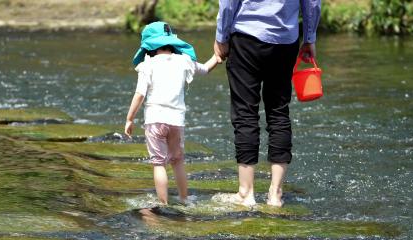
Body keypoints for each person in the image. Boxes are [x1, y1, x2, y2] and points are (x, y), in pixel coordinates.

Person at [214, 0, 321, 207]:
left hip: (246, 37)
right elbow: (312, 3)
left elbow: (228, 3)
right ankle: (275, 194)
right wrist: (309, 37)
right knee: (279, 112)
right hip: (285, 41)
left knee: (245, 113)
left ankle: (246, 193)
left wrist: (221, 36)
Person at [125, 21, 219, 205]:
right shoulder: (184, 61)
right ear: (171, 42)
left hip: (155, 120)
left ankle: (163, 203)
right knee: (177, 161)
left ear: (149, 47)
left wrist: (129, 119)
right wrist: (218, 55)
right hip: (177, 121)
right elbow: (206, 68)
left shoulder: (147, 65)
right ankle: (185, 199)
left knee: (159, 163)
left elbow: (140, 95)